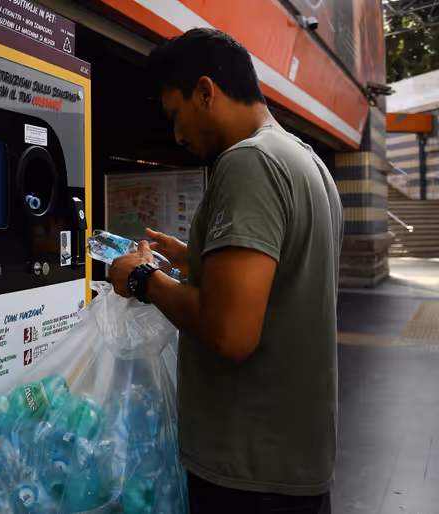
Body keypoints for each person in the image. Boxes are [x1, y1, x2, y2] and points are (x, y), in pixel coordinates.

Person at [109, 28, 342, 514]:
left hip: (247, 471)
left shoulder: (248, 162)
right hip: (294, 461)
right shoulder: (308, 164)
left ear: (205, 91)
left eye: (176, 114)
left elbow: (230, 332)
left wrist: (142, 279)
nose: (177, 135)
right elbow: (285, 279)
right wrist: (193, 258)